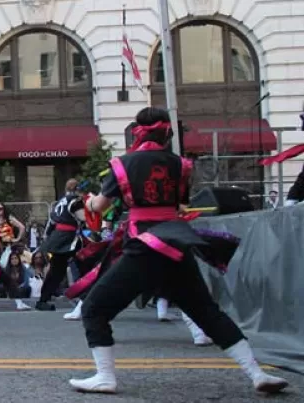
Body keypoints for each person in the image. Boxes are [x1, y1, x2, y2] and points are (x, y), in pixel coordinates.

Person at [69, 107, 288, 394]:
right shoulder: (181, 165)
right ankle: (257, 374)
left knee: (95, 308)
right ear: (166, 133)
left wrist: (87, 201)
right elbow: (180, 206)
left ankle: (105, 377)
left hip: (144, 245)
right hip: (175, 241)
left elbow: (100, 207)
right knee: (206, 312)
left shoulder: (122, 165)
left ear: (136, 131)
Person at [35, 179, 85, 311]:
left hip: (57, 237)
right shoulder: (75, 201)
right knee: (84, 264)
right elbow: (84, 218)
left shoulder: (59, 203)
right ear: (77, 189)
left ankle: (43, 300)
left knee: (57, 270)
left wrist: (47, 239)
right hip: (68, 238)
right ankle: (85, 298)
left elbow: (51, 223)